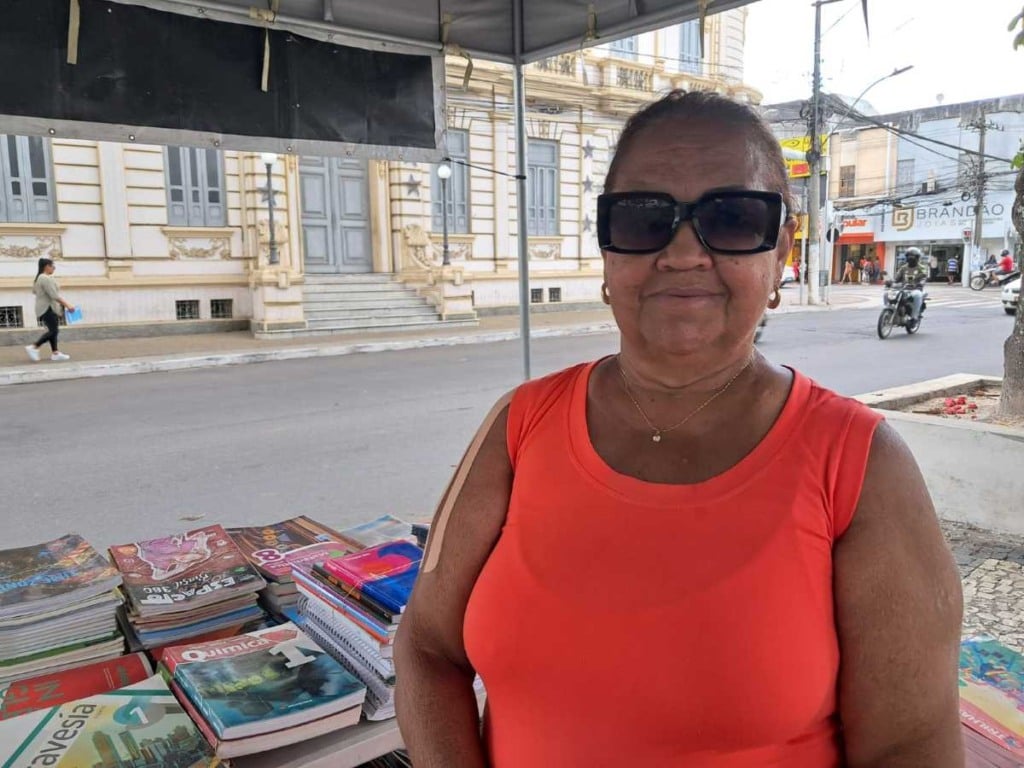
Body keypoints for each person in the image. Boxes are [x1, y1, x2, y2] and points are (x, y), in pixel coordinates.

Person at [395, 90, 964, 768]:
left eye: (733, 218)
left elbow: (909, 746)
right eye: (644, 218)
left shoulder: (860, 463)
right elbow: (426, 648)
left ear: (782, 248)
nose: (684, 252)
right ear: (607, 248)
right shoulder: (520, 423)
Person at [25, 257, 74, 362]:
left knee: (53, 330)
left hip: (48, 308)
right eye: (52, 266)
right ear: (46, 266)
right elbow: (54, 295)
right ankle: (34, 346)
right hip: (47, 308)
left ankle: (55, 353)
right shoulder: (44, 278)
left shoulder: (42, 278)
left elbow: (36, 291)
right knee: (54, 330)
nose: (54, 268)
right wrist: (68, 305)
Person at [895, 247, 930, 324]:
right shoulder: (903, 268)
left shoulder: (921, 268)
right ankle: (891, 310)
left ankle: (914, 317)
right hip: (904, 289)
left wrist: (920, 283)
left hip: (915, 289)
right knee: (887, 294)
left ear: (917, 258)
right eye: (909, 256)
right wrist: (891, 282)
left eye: (913, 256)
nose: (910, 258)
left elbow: (924, 277)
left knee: (917, 295)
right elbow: (897, 278)